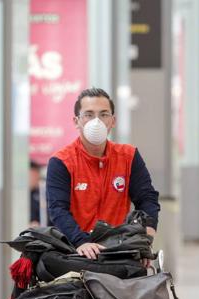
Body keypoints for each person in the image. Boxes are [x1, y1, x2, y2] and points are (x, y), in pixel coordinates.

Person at [46, 87, 160, 263]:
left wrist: (146, 241)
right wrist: (81, 242)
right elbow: (58, 209)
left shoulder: (128, 156)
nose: (96, 121)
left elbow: (147, 199)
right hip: (74, 250)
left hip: (117, 250)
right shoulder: (62, 161)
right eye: (89, 114)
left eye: (104, 114)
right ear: (76, 121)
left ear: (113, 121)